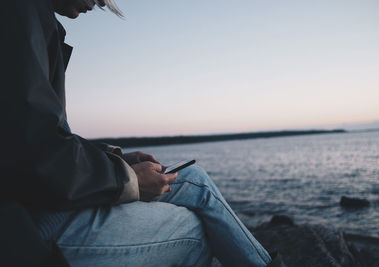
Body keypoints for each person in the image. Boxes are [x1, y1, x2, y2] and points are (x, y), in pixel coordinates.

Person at [0, 0, 272, 266]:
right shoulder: (19, 13)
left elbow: (35, 138)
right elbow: (33, 153)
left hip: (38, 201)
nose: (99, 4)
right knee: (194, 232)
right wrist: (127, 179)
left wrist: (117, 159)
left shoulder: (35, 17)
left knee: (193, 178)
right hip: (25, 222)